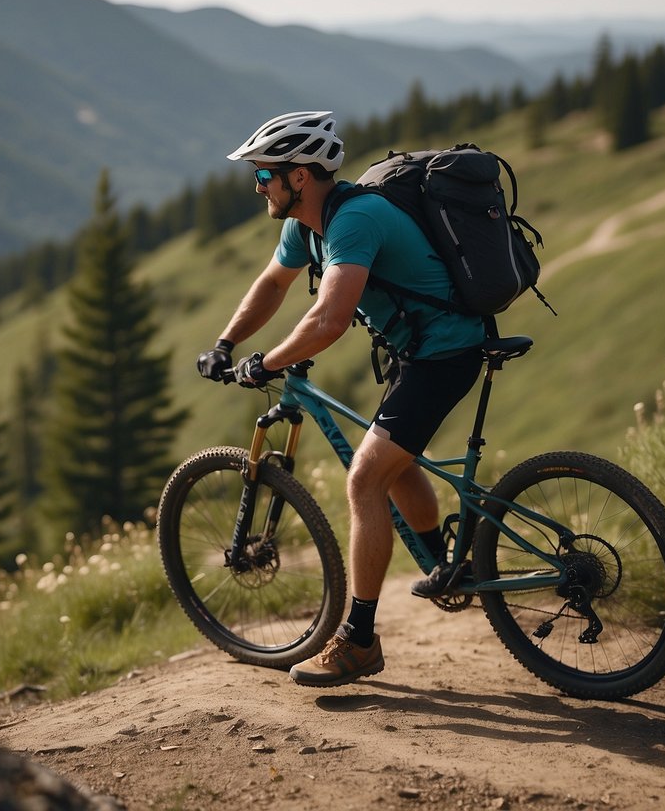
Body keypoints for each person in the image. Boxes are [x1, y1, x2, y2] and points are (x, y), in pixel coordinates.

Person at [196, 111, 486, 687]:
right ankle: (447, 568)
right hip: (419, 352)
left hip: (445, 353)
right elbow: (273, 285)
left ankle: (357, 641)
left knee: (364, 479)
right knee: (391, 465)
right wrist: (228, 342)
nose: (258, 186)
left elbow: (329, 319)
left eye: (264, 175)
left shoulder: (354, 220)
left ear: (299, 176)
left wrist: (269, 361)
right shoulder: (306, 225)